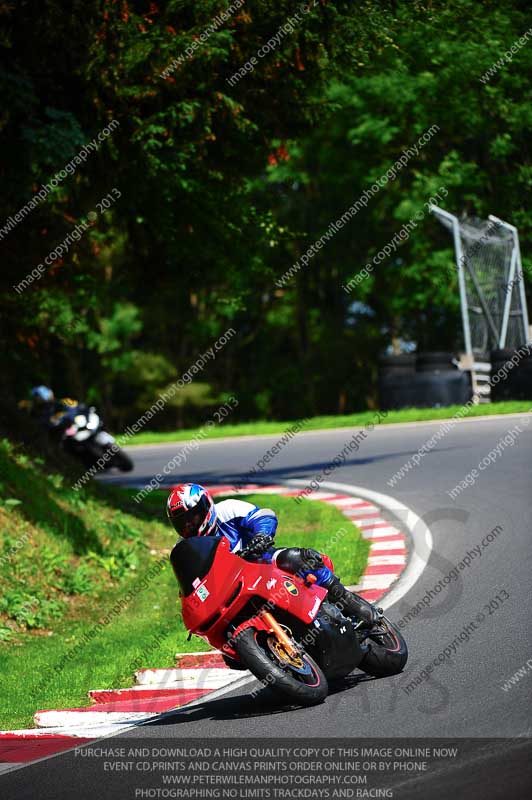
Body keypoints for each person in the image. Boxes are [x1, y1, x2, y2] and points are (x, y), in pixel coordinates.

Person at [166, 482, 380, 627]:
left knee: (296, 559)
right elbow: (190, 582)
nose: (189, 525)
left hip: (264, 562)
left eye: (193, 517)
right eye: (182, 523)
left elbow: (263, 516)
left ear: (206, 506)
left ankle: (348, 601)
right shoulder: (186, 548)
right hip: (235, 590)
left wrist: (261, 536)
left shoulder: (227, 509)